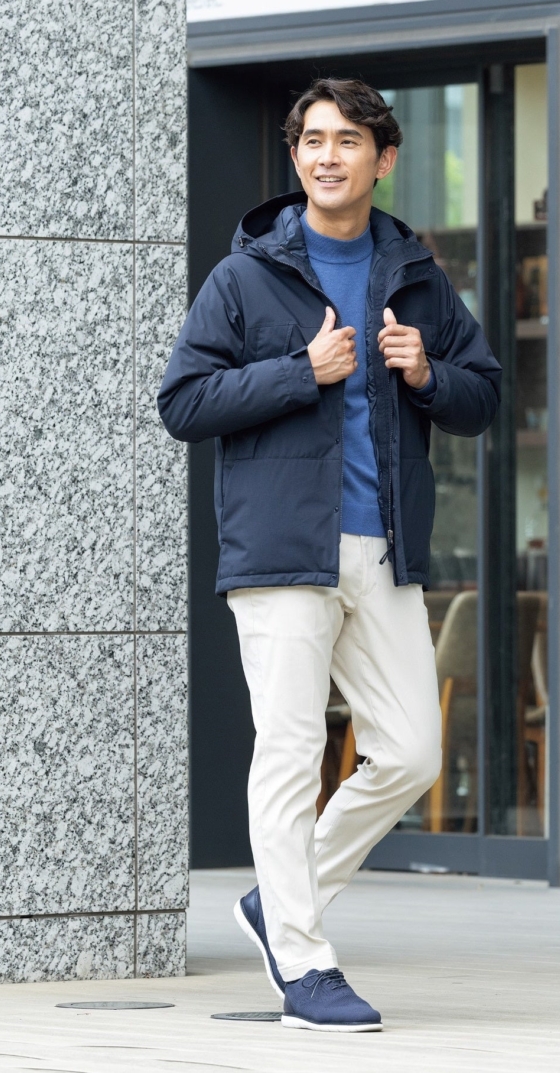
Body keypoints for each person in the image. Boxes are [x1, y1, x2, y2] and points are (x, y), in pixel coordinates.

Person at [158, 77, 502, 1033]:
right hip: (280, 549)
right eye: (312, 139)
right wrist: (297, 372)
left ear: (383, 159)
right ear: (295, 155)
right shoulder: (246, 277)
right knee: (290, 749)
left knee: (412, 749)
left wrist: (427, 371)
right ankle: (305, 963)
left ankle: (282, 895)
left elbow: (482, 393)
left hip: (382, 547)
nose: (327, 155)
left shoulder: (417, 276)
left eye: (348, 140)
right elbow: (182, 401)